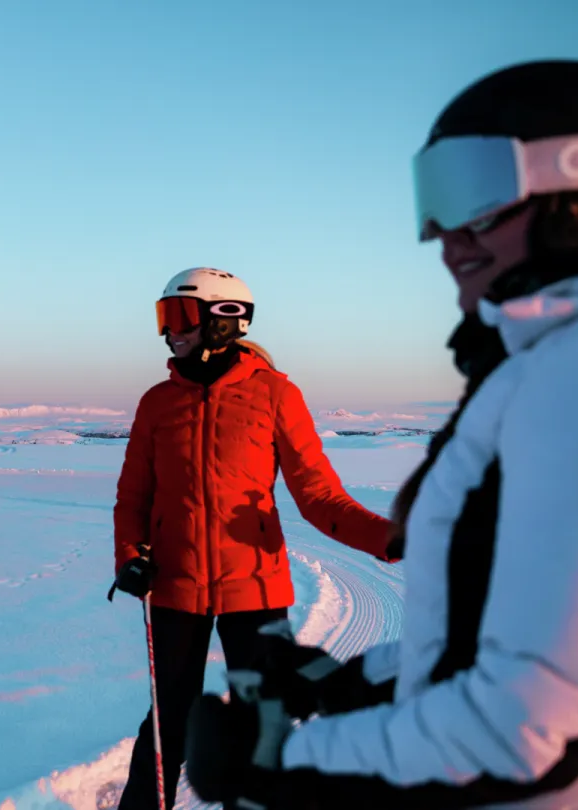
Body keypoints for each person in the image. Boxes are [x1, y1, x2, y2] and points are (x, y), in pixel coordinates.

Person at [183, 59, 578, 809]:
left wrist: (279, 769)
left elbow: (526, 727)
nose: (442, 236)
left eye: (473, 191)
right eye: (431, 201)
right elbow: (505, 642)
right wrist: (349, 680)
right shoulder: (568, 365)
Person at [108, 266, 396, 810]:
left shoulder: (275, 395)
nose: (171, 331)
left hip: (256, 588)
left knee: (264, 715)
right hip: (173, 587)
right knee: (169, 719)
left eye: (181, 316)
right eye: (164, 317)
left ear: (224, 319)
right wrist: (129, 556)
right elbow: (133, 499)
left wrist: (392, 538)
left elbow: (320, 497)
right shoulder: (156, 403)